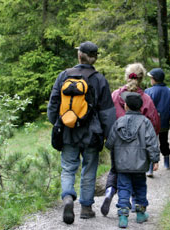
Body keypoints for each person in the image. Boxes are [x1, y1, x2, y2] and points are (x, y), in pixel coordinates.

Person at [47, 41, 116, 225]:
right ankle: (86, 207)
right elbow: (107, 112)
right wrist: (110, 136)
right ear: (95, 58)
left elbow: (53, 105)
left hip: (68, 131)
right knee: (89, 169)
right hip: (92, 134)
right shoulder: (99, 79)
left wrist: (58, 123)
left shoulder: (64, 75)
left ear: (79, 55)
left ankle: (68, 196)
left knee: (68, 167)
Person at [100, 63, 160, 216]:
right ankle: (137, 205)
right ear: (141, 79)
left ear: (126, 77)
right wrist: (153, 153)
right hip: (140, 146)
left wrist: (109, 139)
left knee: (118, 171)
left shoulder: (115, 95)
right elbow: (154, 123)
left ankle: (110, 191)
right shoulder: (146, 99)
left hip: (118, 144)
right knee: (137, 174)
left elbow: (106, 116)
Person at [105, 92, 160, 228]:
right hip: (140, 164)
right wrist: (155, 159)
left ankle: (123, 216)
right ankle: (140, 214)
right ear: (141, 107)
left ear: (126, 107)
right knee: (140, 187)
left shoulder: (119, 122)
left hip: (122, 164)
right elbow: (152, 143)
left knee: (124, 187)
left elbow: (110, 143)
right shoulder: (146, 122)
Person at [145, 68, 170, 170]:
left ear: (154, 79)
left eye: (151, 78)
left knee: (151, 143)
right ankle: (167, 163)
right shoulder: (169, 91)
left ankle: (150, 167)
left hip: (151, 124)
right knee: (164, 142)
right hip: (164, 123)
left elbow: (145, 108)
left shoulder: (148, 91)